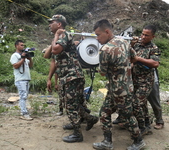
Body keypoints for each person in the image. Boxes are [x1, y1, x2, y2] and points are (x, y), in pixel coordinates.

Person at [92, 19, 145, 150]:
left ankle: (139, 141)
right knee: (104, 113)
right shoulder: (124, 41)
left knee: (127, 116)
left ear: (107, 31)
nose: (97, 38)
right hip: (124, 88)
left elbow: (103, 73)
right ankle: (107, 142)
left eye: (98, 35)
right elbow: (134, 58)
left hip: (119, 91)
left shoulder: (105, 50)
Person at [47, 14, 98, 143]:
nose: (49, 25)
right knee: (71, 103)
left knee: (70, 105)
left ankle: (77, 133)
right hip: (69, 76)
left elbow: (56, 50)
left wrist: (56, 36)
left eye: (51, 22)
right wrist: (54, 39)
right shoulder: (59, 37)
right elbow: (49, 55)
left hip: (72, 76)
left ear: (59, 24)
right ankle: (89, 119)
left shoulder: (64, 35)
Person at [130, 25, 161, 135]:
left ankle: (143, 127)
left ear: (153, 36)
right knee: (141, 104)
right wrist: (132, 45)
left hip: (146, 81)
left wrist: (138, 59)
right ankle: (147, 122)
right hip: (134, 79)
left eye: (146, 35)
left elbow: (155, 63)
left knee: (137, 103)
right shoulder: (137, 45)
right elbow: (127, 54)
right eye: (142, 34)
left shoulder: (154, 48)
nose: (143, 36)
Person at [10, 40, 33, 121]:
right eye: (21, 45)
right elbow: (15, 66)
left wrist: (29, 57)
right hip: (20, 79)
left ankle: (24, 111)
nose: (22, 46)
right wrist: (22, 58)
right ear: (16, 46)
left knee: (25, 96)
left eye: (23, 45)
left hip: (26, 78)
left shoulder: (24, 56)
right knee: (22, 96)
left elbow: (30, 65)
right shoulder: (15, 55)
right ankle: (24, 113)